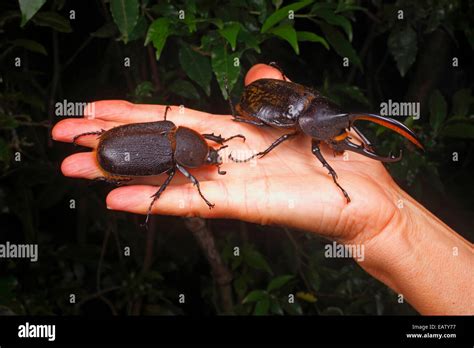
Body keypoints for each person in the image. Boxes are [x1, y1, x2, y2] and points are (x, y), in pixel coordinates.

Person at [52, 64, 473, 315]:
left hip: (182, 137)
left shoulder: (177, 134)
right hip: (243, 118)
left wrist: (391, 222)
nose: (339, 140)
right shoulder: (182, 150)